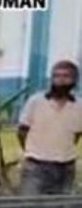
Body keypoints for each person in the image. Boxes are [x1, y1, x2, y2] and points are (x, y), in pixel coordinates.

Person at [18, 60, 82, 195]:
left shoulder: (79, 106)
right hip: (35, 166)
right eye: (56, 76)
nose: (60, 80)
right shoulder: (36, 101)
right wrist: (33, 151)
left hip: (66, 167)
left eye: (65, 76)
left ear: (75, 79)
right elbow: (22, 131)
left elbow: (76, 135)